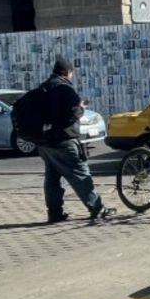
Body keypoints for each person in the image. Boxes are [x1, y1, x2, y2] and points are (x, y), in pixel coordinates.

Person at [38, 56, 115, 223]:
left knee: (52, 178)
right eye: (72, 72)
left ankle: (55, 213)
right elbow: (73, 113)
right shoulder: (65, 89)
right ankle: (97, 208)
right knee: (80, 174)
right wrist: (81, 108)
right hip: (63, 140)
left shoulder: (43, 88)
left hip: (44, 141)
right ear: (68, 72)